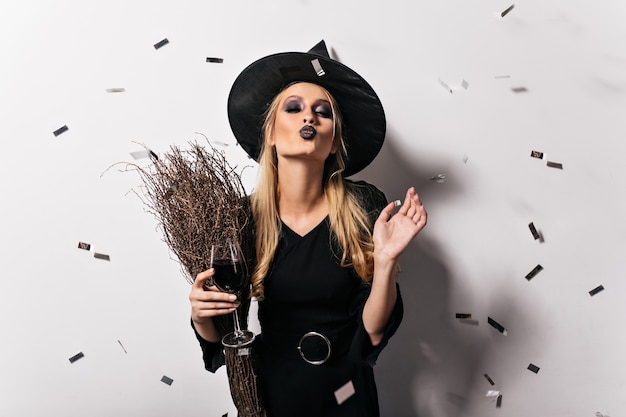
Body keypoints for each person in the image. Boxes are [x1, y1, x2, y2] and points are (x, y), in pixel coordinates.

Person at [189, 40, 427, 417]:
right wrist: (202, 316)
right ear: (269, 134)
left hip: (346, 393)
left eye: (323, 112)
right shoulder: (239, 218)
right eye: (294, 108)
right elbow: (225, 342)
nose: (309, 118)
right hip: (271, 393)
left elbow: (373, 335)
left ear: (334, 142)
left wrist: (384, 263)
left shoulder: (365, 205)